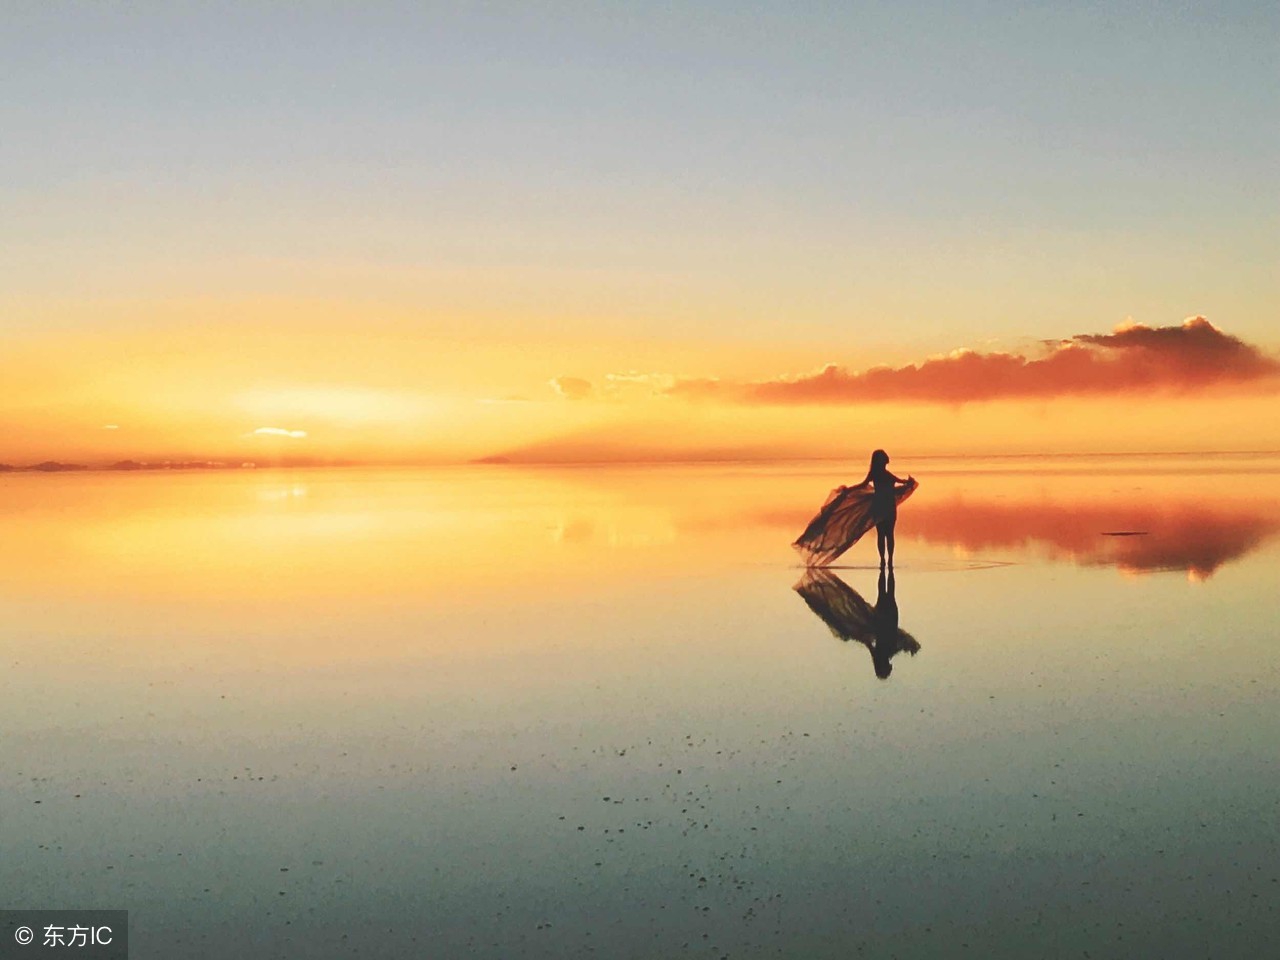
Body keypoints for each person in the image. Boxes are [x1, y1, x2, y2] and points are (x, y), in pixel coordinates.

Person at [852, 449, 913, 568]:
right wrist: (848, 491)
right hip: (883, 506)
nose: (886, 458)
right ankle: (884, 560)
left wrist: (908, 482)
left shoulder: (885, 474)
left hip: (886, 506)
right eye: (883, 457)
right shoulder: (875, 474)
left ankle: (888, 560)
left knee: (887, 534)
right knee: (884, 534)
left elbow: (901, 482)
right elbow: (862, 485)